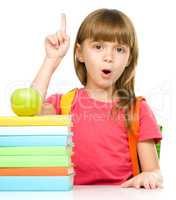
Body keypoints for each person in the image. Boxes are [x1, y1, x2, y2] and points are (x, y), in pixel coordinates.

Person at [31, 8, 163, 189]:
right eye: (98, 47)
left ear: (128, 59)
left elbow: (154, 172)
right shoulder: (63, 104)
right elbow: (30, 112)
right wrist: (51, 60)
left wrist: (150, 176)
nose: (109, 57)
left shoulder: (138, 110)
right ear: (80, 53)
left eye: (119, 49)